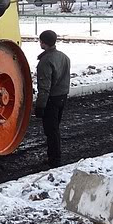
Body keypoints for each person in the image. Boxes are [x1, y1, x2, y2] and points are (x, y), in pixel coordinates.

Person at [34, 30, 71, 168]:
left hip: (51, 100)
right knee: (55, 129)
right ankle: (54, 157)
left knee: (51, 131)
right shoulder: (64, 57)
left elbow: (44, 87)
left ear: (43, 42)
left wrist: (40, 106)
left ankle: (54, 160)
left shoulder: (46, 61)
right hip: (62, 97)